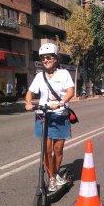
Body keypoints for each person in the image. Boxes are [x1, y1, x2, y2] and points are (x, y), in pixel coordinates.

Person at [25, 43, 74, 192]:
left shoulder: (64, 74)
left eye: (48, 57)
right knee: (46, 150)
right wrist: (28, 102)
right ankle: (52, 178)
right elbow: (30, 92)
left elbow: (70, 92)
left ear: (55, 59)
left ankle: (56, 173)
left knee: (58, 149)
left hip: (60, 116)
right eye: (43, 58)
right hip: (43, 116)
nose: (45, 60)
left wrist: (60, 103)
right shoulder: (39, 76)